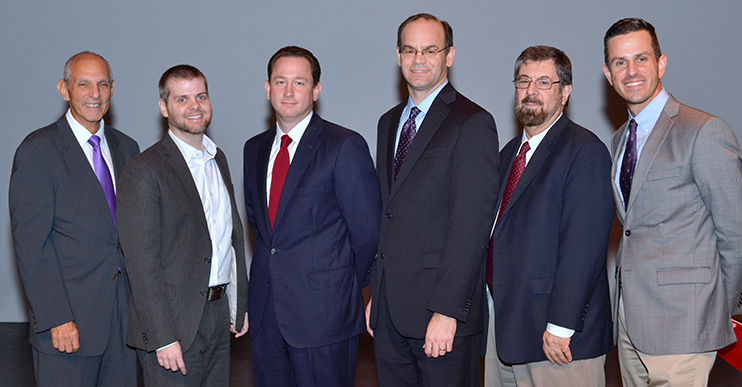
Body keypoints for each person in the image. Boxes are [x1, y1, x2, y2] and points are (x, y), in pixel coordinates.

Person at [603, 18, 742, 387]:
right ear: (608, 74)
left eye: (641, 58)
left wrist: (716, 310)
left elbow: (740, 234)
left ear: (661, 64)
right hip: (629, 323)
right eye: (620, 62)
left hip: (685, 323)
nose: (631, 71)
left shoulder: (703, 131)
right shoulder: (619, 140)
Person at [366, 13, 499, 387]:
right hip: (391, 312)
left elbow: (471, 225)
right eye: (409, 50)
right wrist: (379, 292)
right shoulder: (388, 123)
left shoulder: (472, 121)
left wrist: (447, 310)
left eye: (429, 50)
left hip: (441, 316)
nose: (418, 59)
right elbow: (389, 214)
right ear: (398, 56)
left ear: (449, 56)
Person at [243, 46, 381, 387]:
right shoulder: (254, 149)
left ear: (316, 90)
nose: (288, 92)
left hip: (324, 318)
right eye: (280, 82)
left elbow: (367, 233)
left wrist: (341, 289)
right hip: (266, 316)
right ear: (267, 88)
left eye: (299, 83)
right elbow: (260, 227)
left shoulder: (343, 145)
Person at [484, 46, 614, 387]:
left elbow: (584, 249)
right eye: (524, 80)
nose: (531, 90)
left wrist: (561, 326)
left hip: (557, 341)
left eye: (544, 82)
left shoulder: (585, 151)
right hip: (504, 330)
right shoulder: (508, 154)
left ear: (565, 92)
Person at [9, 51, 139, 387]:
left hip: (123, 327)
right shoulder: (38, 151)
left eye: (102, 84)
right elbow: (31, 245)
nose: (94, 94)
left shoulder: (128, 148)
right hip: (68, 327)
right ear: (64, 90)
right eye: (84, 84)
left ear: (112, 89)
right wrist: (57, 318)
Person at [117, 64, 248, 386]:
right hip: (172, 324)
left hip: (218, 316)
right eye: (182, 99)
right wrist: (162, 337)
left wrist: (238, 304)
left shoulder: (219, 159)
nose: (195, 106)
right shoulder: (144, 170)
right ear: (164, 107)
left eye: (201, 96)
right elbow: (141, 262)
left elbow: (229, 238)